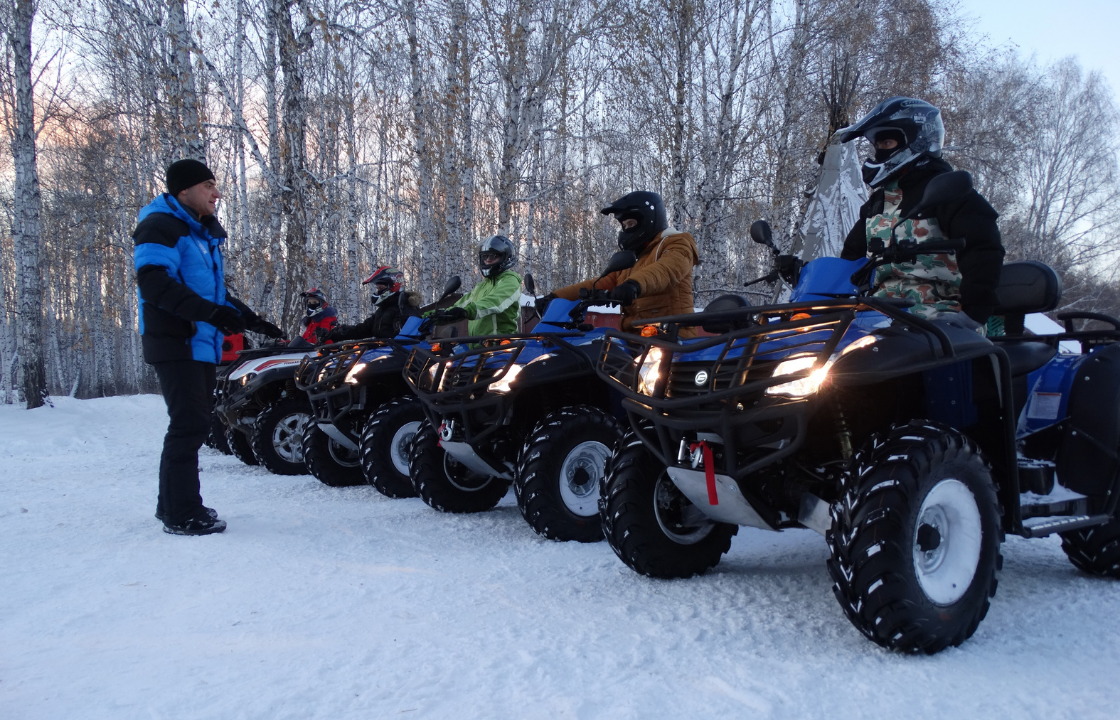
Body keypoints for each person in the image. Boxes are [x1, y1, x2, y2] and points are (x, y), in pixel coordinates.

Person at [133, 159, 283, 536]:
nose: (217, 194)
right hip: (176, 339)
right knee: (189, 426)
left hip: (199, 344)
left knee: (192, 425)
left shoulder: (199, 234)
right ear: (183, 190)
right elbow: (154, 284)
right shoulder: (160, 226)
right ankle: (182, 513)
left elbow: (213, 294)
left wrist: (252, 320)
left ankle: (171, 504)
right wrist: (211, 314)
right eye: (208, 186)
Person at [839, 97, 1005, 327]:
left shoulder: (950, 191)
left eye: (886, 143)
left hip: (941, 317)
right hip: (879, 316)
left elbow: (984, 250)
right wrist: (805, 272)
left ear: (916, 140)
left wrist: (974, 314)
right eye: (877, 146)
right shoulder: (878, 202)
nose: (879, 152)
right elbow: (850, 259)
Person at [536, 191, 699, 337]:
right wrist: (556, 297)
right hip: (635, 337)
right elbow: (602, 282)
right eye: (625, 225)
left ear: (649, 219)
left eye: (632, 224)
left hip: (673, 338)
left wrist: (634, 285)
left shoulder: (678, 243)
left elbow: (666, 270)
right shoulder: (632, 256)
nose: (627, 229)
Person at [434, 236, 522, 335]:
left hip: (500, 345)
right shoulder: (481, 286)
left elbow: (495, 302)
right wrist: (432, 316)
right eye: (485, 256)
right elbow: (460, 306)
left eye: (492, 256)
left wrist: (468, 311)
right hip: (478, 345)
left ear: (505, 257)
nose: (488, 260)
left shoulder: (510, 281)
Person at [323, 266, 422, 342]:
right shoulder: (384, 309)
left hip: (397, 358)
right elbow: (363, 329)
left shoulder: (405, 309)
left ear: (393, 286)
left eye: (381, 288)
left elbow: (409, 339)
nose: (378, 291)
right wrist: (337, 333)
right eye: (378, 288)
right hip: (382, 354)